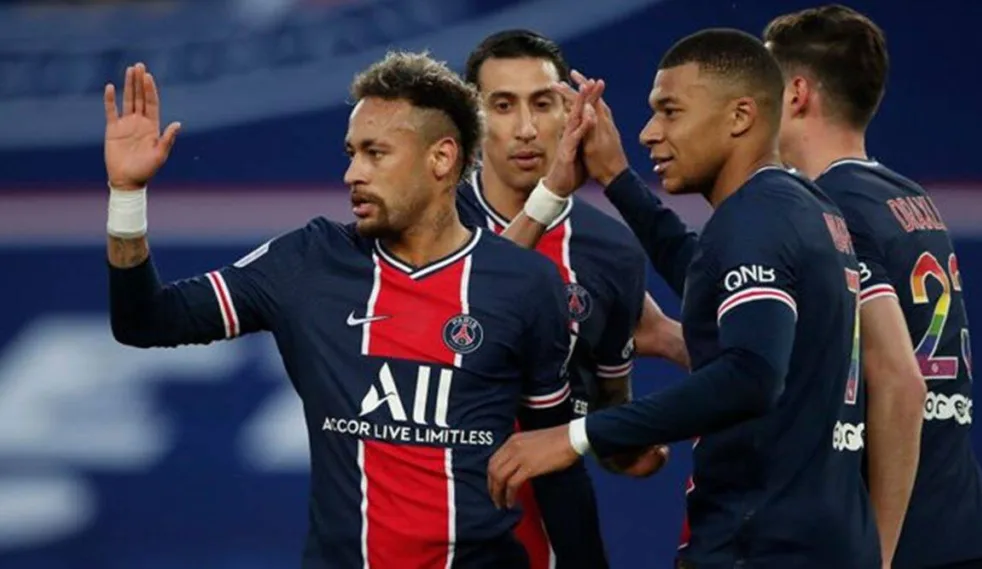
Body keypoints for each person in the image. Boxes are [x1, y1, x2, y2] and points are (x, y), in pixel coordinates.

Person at [104, 53, 603, 568]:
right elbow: (146, 321)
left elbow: (555, 462)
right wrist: (126, 196)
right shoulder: (307, 262)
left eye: (375, 153)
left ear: (441, 158)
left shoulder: (525, 282)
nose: (352, 174)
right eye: (351, 153)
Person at [487, 29, 881, 568]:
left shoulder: (755, 219)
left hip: (761, 546)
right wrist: (617, 180)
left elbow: (750, 375)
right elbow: (708, 277)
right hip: (822, 535)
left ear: (740, 116)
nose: (648, 132)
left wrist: (576, 436)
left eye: (670, 112)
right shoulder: (802, 205)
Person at [763, 5, 982, 568]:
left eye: (763, 83)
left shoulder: (829, 207)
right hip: (967, 532)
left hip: (908, 543)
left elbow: (901, 383)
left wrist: (877, 554)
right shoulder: (906, 196)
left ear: (796, 94)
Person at [459, 29, 678, 569]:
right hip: (428, 517)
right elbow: (468, 305)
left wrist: (624, 446)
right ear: (471, 120)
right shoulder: (427, 223)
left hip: (552, 527)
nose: (526, 128)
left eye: (543, 104)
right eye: (502, 106)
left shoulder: (612, 252)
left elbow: (607, 404)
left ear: (571, 114)